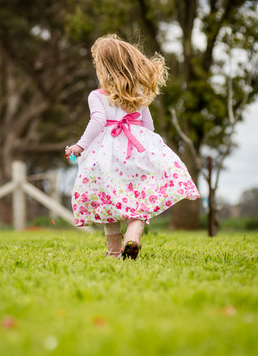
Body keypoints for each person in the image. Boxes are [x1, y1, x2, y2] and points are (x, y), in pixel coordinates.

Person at [65, 34, 200, 260]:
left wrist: (80, 145)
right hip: (135, 152)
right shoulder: (138, 96)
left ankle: (114, 252)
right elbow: (149, 126)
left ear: (104, 69)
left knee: (111, 201)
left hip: (108, 156)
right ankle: (133, 239)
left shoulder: (97, 96)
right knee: (137, 201)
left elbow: (98, 121)